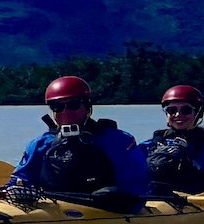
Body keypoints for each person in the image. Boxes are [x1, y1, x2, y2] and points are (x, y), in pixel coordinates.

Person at [8, 75, 150, 205]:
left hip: (105, 207)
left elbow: (137, 184)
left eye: (73, 105)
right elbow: (21, 179)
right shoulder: (40, 144)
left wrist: (121, 200)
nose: (65, 112)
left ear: (87, 106)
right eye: (57, 106)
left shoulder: (118, 140)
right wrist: (15, 192)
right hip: (54, 208)